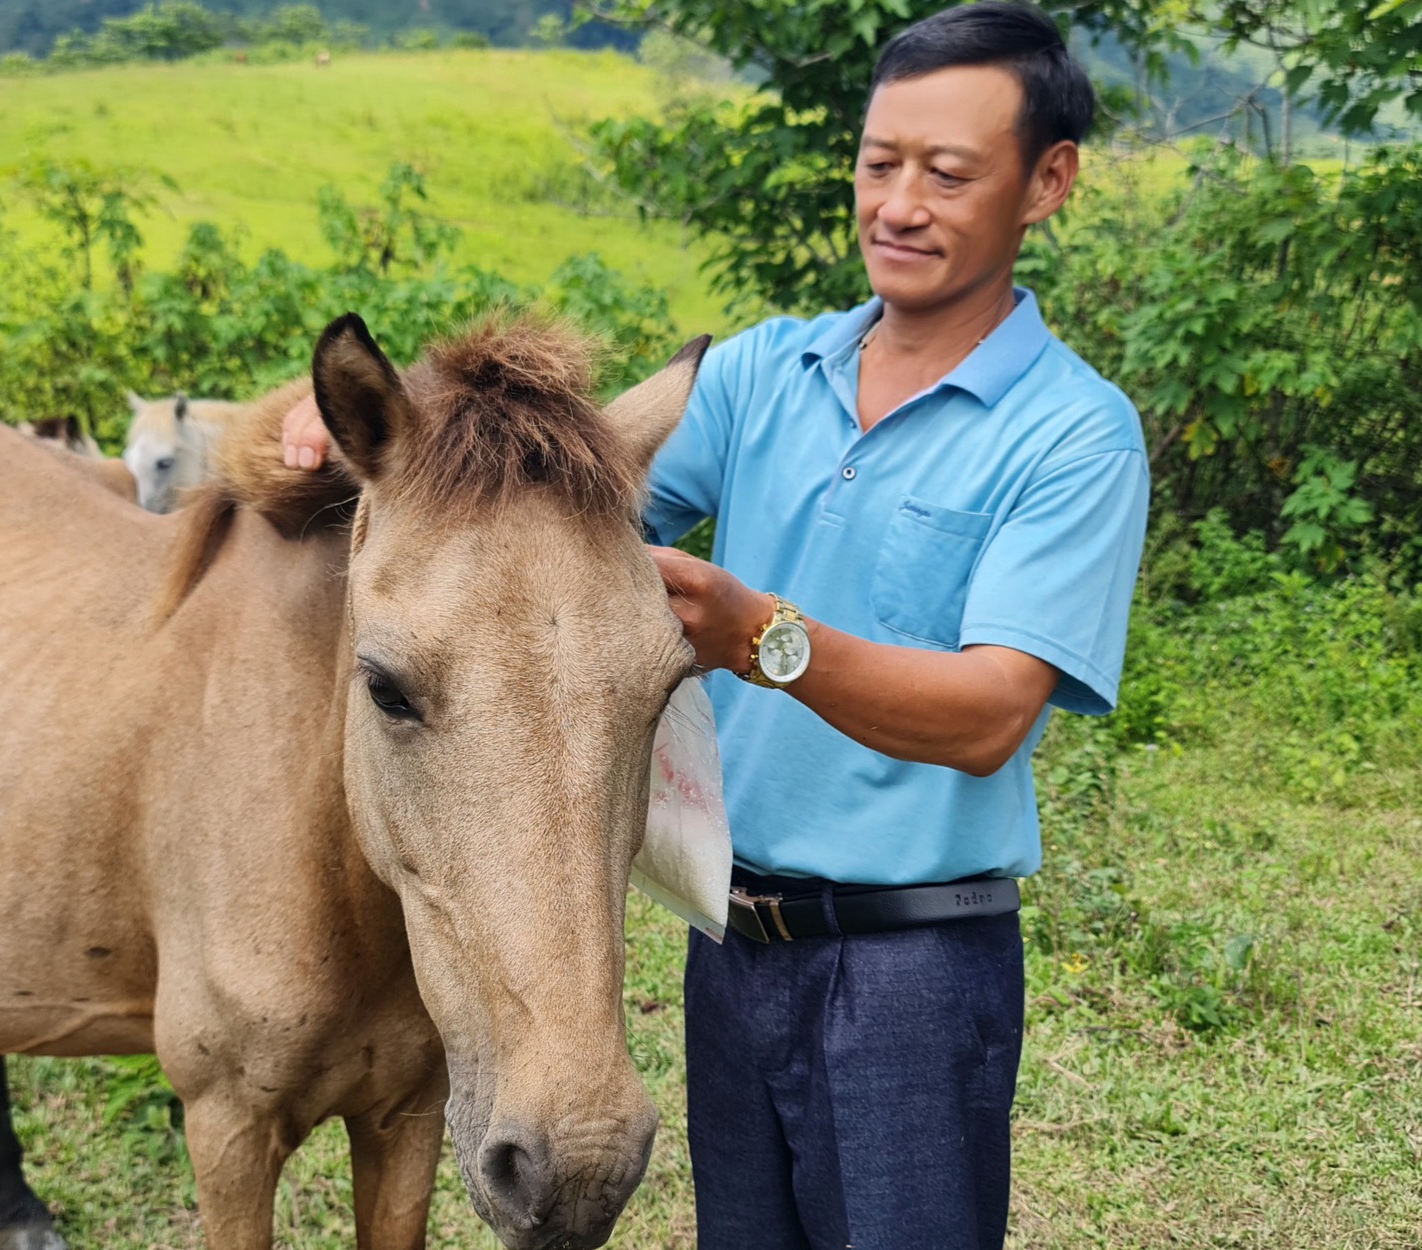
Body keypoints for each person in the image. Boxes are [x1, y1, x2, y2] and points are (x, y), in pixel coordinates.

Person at [278, 3, 1149, 1245]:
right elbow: (531, 501)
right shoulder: (756, 377)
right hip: (729, 947)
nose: (898, 204)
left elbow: (988, 714)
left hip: (911, 966)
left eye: (947, 173)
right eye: (877, 163)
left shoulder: (1070, 433)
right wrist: (351, 433)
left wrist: (760, 637)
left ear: (1045, 181)